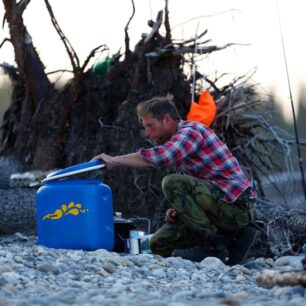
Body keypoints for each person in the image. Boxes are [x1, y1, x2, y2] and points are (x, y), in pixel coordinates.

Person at [91, 96, 259, 264]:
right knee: (158, 244)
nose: (147, 133)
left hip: (236, 208)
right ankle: (230, 242)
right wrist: (181, 208)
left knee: (171, 183)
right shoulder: (180, 143)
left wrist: (114, 160)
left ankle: (211, 247)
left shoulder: (191, 131)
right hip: (218, 207)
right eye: (145, 127)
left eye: (150, 126)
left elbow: (161, 157)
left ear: (166, 119)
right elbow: (199, 184)